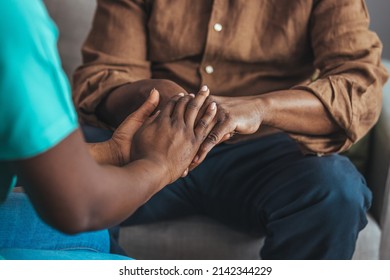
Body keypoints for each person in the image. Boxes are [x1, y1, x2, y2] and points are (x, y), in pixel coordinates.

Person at [73, 0, 389, 259]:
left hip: (267, 152)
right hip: (154, 139)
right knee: (62, 165)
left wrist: (262, 108)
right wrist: (153, 96)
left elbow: (359, 87)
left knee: (336, 190)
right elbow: (102, 78)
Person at [0, 0, 217, 259]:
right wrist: (159, 164)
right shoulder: (12, 19)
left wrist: (112, 152)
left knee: (91, 236)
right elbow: (81, 207)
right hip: (82, 203)